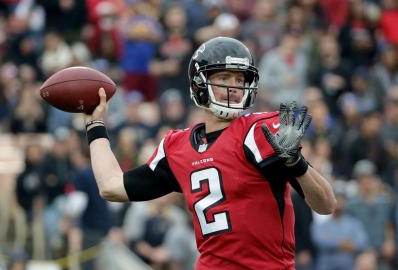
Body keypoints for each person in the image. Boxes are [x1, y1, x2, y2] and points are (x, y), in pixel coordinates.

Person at [84, 37, 336, 269]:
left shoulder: (259, 131)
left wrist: (296, 163)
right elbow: (112, 187)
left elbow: (326, 204)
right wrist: (95, 126)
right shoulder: (177, 146)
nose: (235, 87)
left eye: (240, 80)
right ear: (199, 84)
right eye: (225, 78)